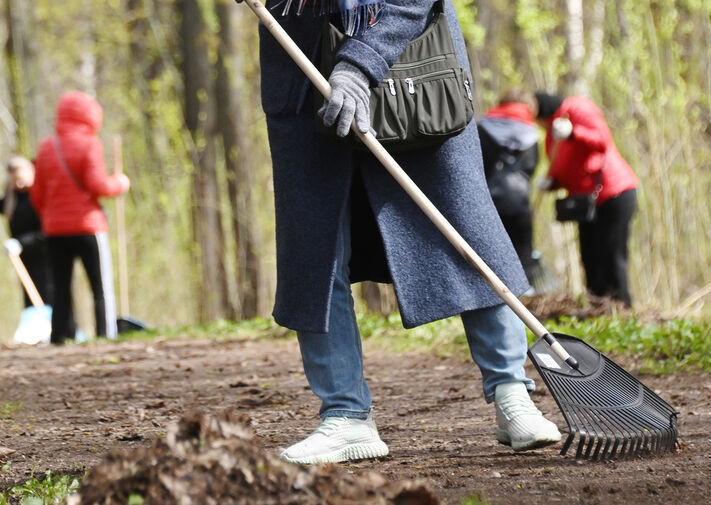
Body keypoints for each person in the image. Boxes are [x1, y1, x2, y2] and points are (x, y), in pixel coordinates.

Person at [250, 0, 561, 464]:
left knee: (467, 229)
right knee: (315, 251)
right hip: (303, 73)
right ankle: (345, 415)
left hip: (417, 70)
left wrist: (360, 65)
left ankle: (512, 393)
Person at [30, 91, 130, 344]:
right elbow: (98, 185)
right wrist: (119, 183)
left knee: (60, 287)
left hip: (55, 230)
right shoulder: (90, 144)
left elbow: (37, 194)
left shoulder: (46, 147)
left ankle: (59, 337)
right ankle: (105, 335)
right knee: (100, 285)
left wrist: (51, 216)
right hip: (88, 227)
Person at [534, 92, 638, 306]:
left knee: (612, 254)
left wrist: (574, 133)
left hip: (614, 193)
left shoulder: (577, 110)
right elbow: (565, 167)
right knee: (590, 257)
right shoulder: (551, 135)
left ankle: (622, 307)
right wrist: (552, 182)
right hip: (586, 202)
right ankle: (598, 307)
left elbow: (602, 142)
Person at [477, 90, 541, 286]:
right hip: (520, 203)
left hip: (488, 203)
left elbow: (479, 163)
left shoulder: (483, 128)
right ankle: (526, 296)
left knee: (490, 256)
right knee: (523, 253)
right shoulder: (531, 133)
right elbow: (531, 166)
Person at [0, 156, 53, 308]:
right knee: (28, 296)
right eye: (14, 180)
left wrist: (21, 243)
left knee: (46, 294)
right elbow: (3, 207)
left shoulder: (39, 196)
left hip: (44, 256)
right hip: (24, 257)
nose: (19, 184)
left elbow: (44, 232)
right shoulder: (14, 196)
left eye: (21, 178)